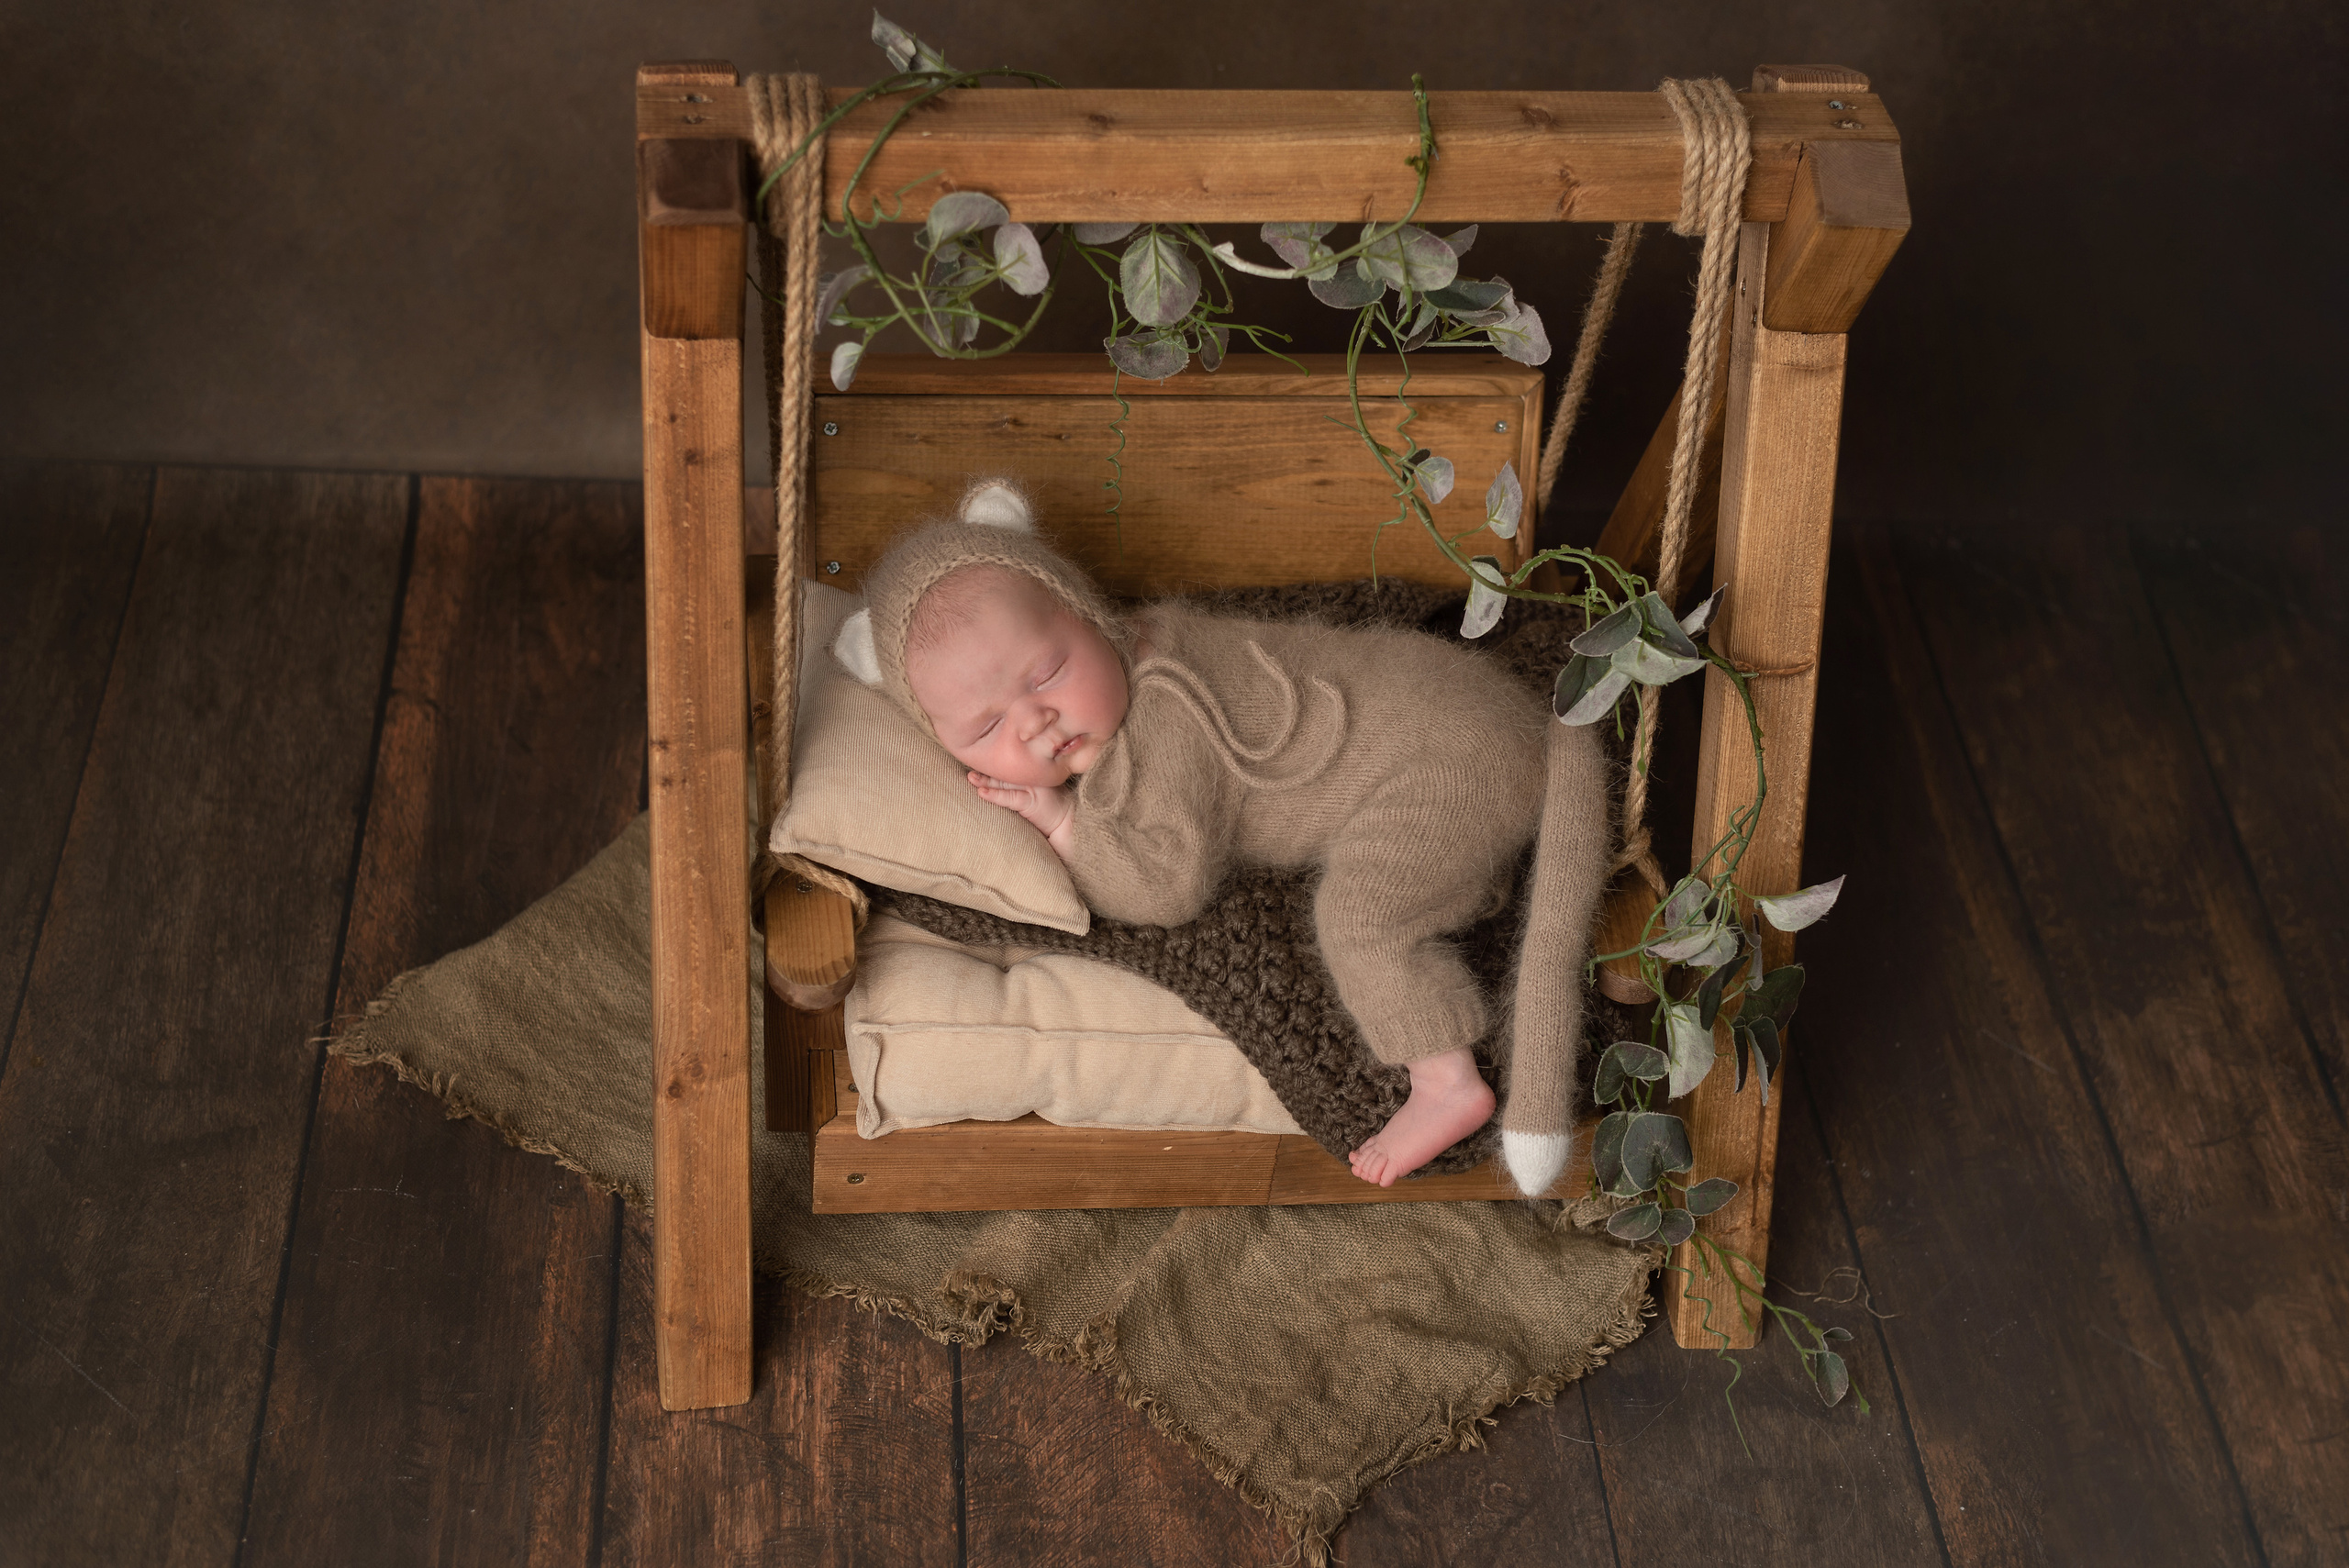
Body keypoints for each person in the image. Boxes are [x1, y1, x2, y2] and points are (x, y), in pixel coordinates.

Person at [834, 481, 1609, 1192]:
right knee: (1415, 862)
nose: (1036, 723)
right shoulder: (1150, 644)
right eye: (989, 725)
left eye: (1045, 676)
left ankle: (1447, 1081)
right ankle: (1474, 872)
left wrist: (1061, 820)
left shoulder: (1163, 717)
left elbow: (1162, 889)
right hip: (1462, 715)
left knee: (1361, 919)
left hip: (1445, 759)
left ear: (1091, 614)